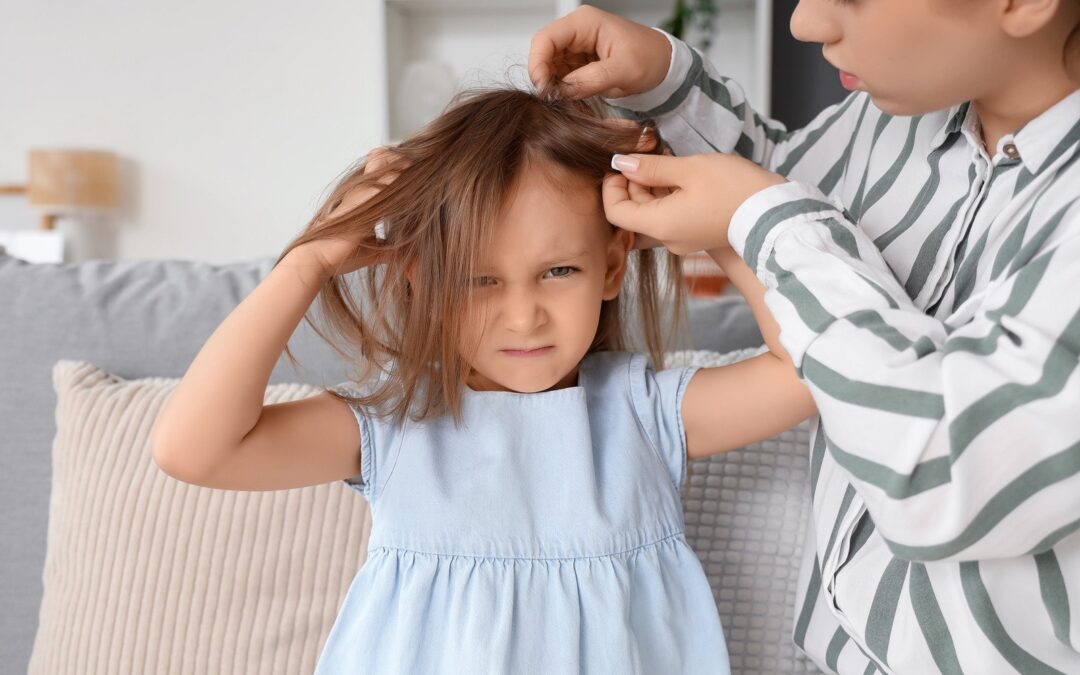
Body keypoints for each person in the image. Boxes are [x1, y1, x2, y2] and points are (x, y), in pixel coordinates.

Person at [150, 86, 816, 674]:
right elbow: (193, 448)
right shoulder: (399, 422)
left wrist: (725, 227)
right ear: (423, 280)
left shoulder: (641, 411)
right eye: (479, 279)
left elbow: (807, 370)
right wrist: (311, 260)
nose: (524, 316)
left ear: (613, 266)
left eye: (559, 271)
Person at [530, 1, 1080, 673]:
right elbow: (782, 190)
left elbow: (940, 469)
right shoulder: (895, 117)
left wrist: (760, 217)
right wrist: (663, 85)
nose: (805, 22)